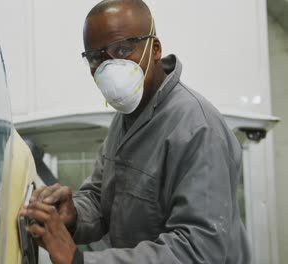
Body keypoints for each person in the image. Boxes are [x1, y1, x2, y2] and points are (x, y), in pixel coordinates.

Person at [20, 0, 251, 263]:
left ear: (154, 49)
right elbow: (102, 197)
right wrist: (74, 215)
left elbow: (198, 250)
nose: (108, 68)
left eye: (123, 49)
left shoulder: (198, 128)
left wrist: (81, 261)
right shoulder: (126, 119)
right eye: (96, 57)